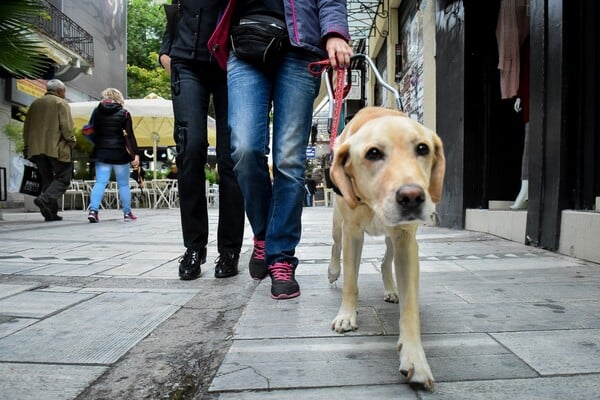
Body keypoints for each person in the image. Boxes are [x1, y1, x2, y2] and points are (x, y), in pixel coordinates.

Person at [223, 1, 353, 299]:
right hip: (245, 42)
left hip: (300, 47)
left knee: (289, 160)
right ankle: (264, 235)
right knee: (245, 150)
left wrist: (335, 32)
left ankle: (280, 255)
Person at [159, 0, 246, 280]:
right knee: (190, 148)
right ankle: (194, 247)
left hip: (229, 60)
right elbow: (178, 11)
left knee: (230, 158)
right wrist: (166, 52)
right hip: (185, 61)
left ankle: (230, 249)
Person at [23, 79, 76, 222]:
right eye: (64, 90)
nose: (65, 93)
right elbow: (66, 127)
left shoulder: (35, 104)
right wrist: (72, 142)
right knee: (64, 177)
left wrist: (27, 146)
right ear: (60, 90)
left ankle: (51, 212)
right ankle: (45, 200)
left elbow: (26, 127)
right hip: (56, 147)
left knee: (47, 180)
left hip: (36, 148)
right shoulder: (60, 103)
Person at [86, 88, 140, 223]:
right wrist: (135, 154)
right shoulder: (125, 113)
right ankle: (127, 213)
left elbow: (90, 129)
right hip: (119, 153)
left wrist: (96, 142)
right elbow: (130, 136)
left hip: (101, 152)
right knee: (123, 184)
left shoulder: (96, 111)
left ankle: (93, 211)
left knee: (100, 182)